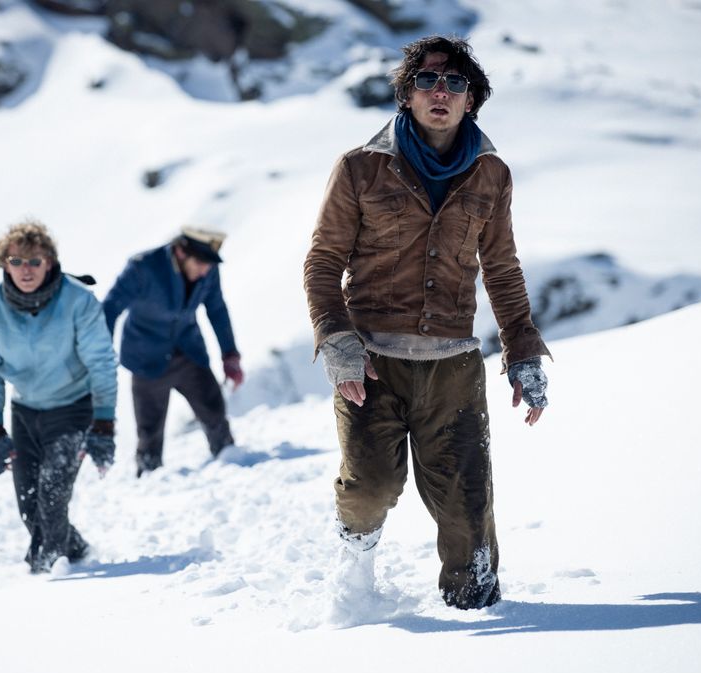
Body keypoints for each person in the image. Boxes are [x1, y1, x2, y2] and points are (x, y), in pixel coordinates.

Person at [303, 35, 551, 610]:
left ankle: (476, 616)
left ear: (472, 100)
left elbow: (503, 269)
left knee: (467, 505)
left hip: (453, 369)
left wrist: (523, 352)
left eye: (455, 83)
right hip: (370, 361)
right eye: (428, 81)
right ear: (406, 95)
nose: (441, 91)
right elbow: (322, 263)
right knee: (370, 487)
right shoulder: (361, 168)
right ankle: (355, 569)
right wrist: (336, 340)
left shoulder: (491, 175)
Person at [0, 220, 118, 573]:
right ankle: (77, 549)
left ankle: (46, 576)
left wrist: (103, 423)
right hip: (25, 411)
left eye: (35, 261)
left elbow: (101, 363)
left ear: (50, 263)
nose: (26, 270)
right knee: (30, 507)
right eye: (16, 261)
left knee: (52, 498)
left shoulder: (78, 301)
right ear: (4, 264)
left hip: (74, 409)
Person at [103, 227, 244, 477]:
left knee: (214, 411)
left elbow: (217, 309)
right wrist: (100, 356)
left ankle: (230, 462)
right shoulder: (142, 268)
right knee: (150, 431)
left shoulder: (208, 270)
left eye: (209, 264)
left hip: (189, 352)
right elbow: (110, 308)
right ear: (180, 251)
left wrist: (230, 355)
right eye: (200, 262)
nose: (205, 270)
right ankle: (149, 479)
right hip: (147, 359)